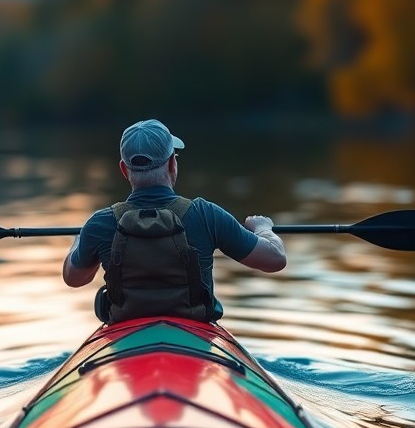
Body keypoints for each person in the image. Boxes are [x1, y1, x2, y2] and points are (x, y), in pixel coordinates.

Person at [62, 119, 286, 323]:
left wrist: (81, 238)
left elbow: (74, 278)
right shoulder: (205, 214)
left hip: (126, 336)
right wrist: (264, 229)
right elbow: (275, 259)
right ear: (171, 163)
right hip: (195, 335)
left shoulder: (101, 223)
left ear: (123, 169)